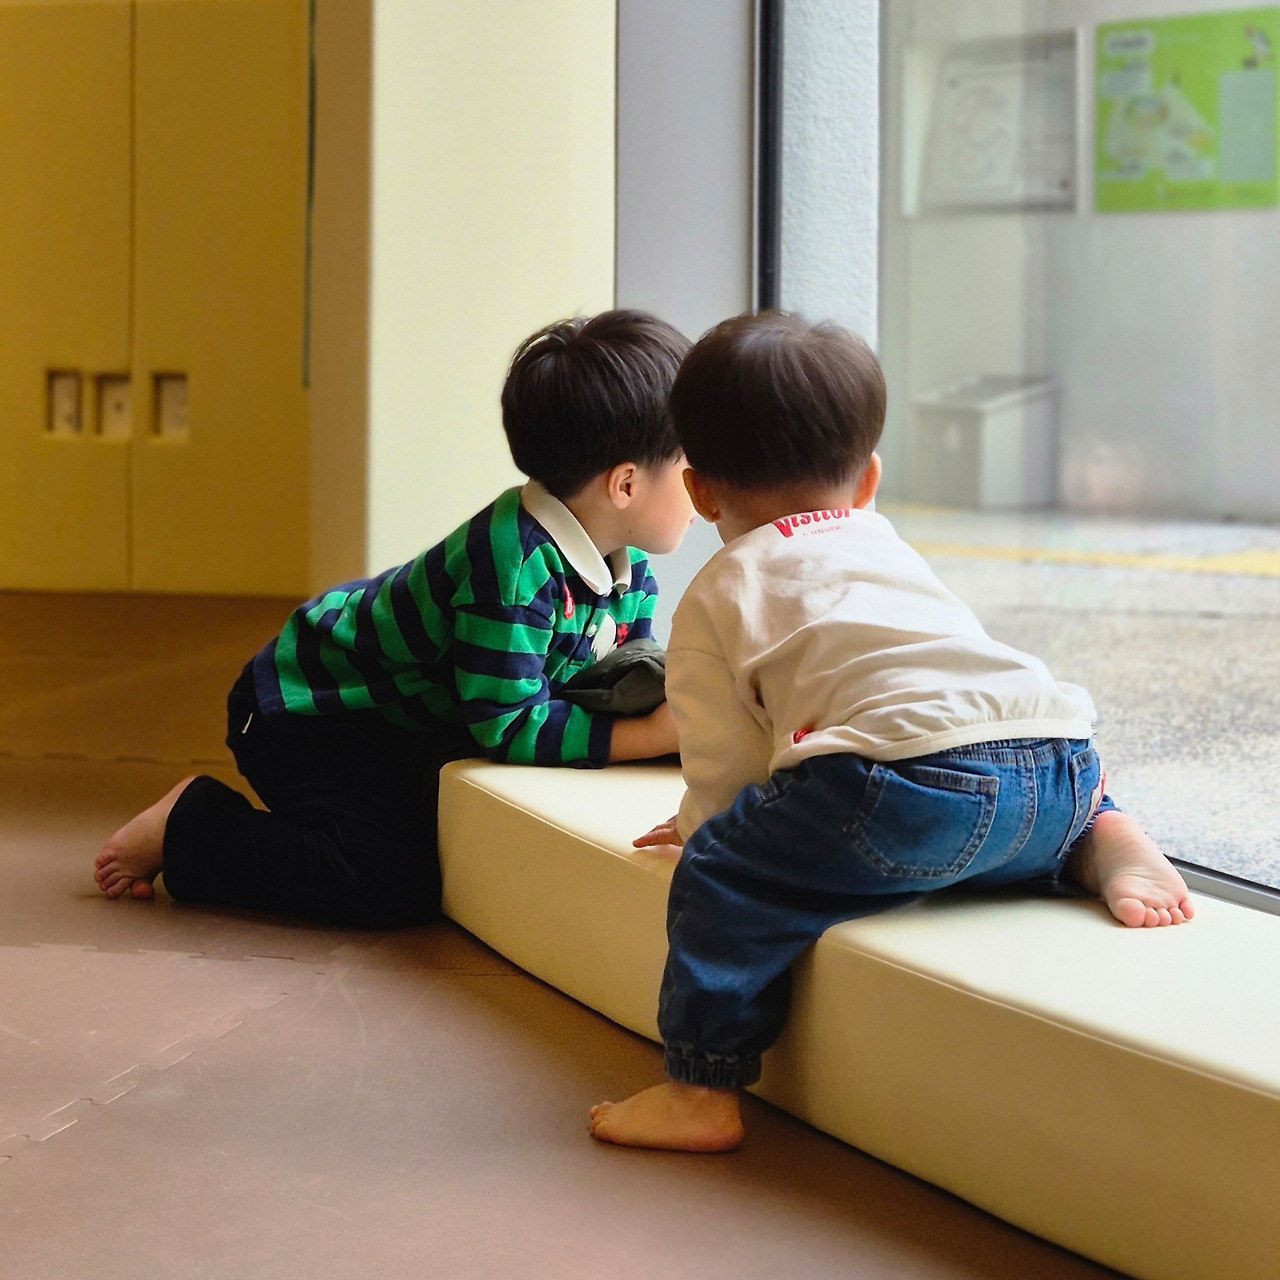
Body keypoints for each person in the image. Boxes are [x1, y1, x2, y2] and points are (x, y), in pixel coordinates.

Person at [589, 312, 1193, 1154]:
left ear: (700, 492)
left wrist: (711, 832)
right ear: (868, 478)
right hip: (1055, 755)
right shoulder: (889, 548)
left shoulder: (722, 589)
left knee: (721, 871)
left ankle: (700, 1090)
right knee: (1009, 792)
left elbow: (725, 766)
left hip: (899, 792)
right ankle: (1098, 835)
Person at [95, 310, 694, 926]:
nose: (705, 490)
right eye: (690, 468)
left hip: (408, 718)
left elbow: (606, 688)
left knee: (426, 845)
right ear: (625, 485)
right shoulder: (514, 569)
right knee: (387, 878)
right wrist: (654, 734)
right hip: (308, 712)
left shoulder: (627, 568)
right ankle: (190, 825)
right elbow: (511, 725)